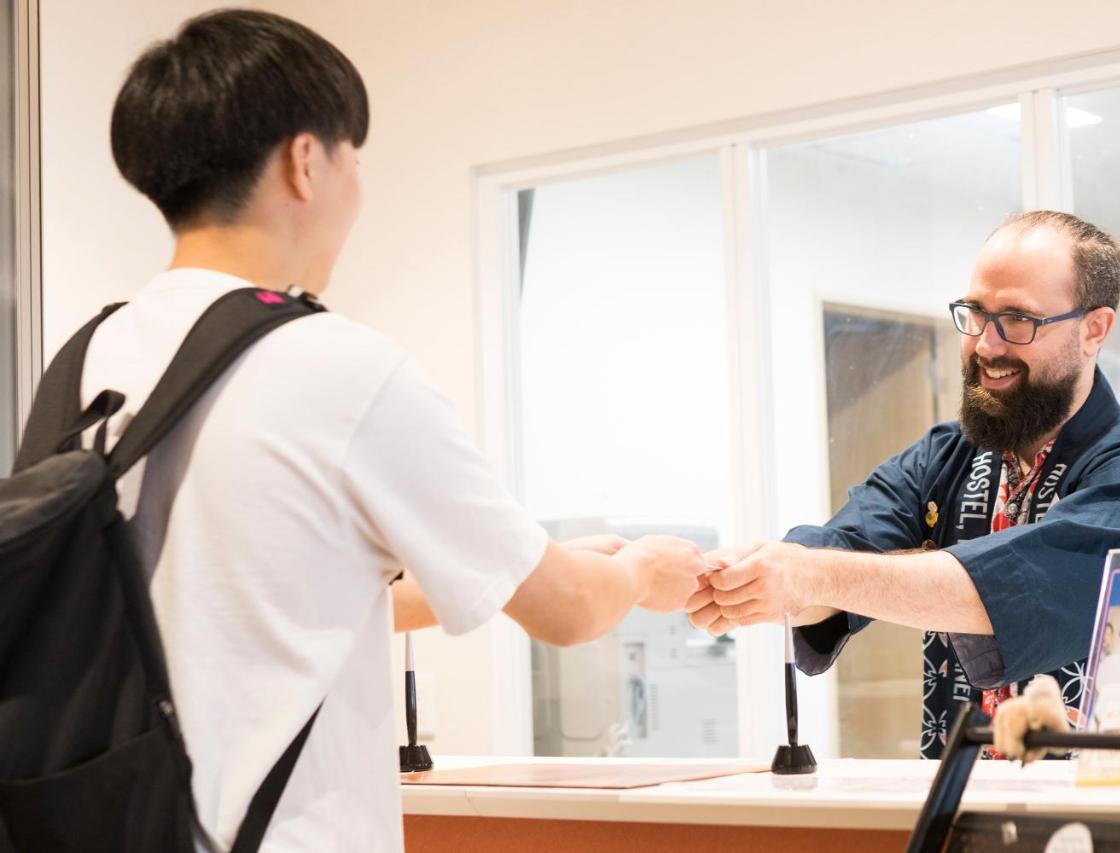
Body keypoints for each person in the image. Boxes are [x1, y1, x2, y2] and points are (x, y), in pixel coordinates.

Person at [89, 10, 706, 851]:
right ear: (306, 161)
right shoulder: (337, 366)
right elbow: (563, 613)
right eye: (354, 156)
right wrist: (641, 568)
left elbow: (257, 604)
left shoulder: (87, 363)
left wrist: (530, 557)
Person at [685, 211, 1120, 757]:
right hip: (957, 810)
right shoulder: (945, 455)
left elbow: (1001, 589)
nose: (986, 344)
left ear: (1094, 330)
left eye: (1018, 320)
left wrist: (812, 575)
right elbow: (838, 562)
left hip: (1106, 823)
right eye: (976, 314)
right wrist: (745, 580)